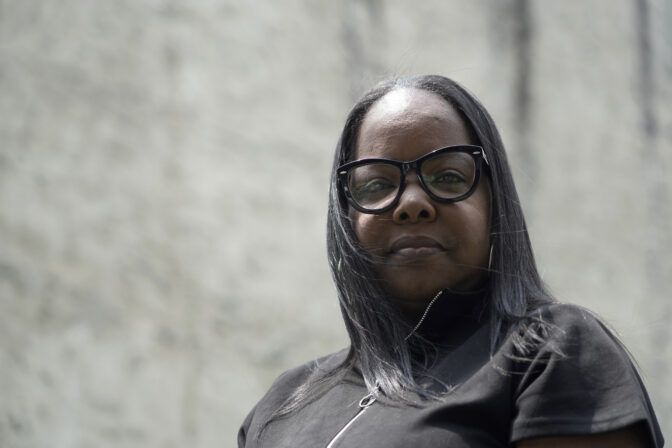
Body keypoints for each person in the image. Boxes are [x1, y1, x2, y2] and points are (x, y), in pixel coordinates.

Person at [237, 75, 664, 447]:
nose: (412, 203)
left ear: (494, 205)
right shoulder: (283, 403)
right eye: (377, 185)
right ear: (346, 219)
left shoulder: (551, 351)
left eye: (448, 177)